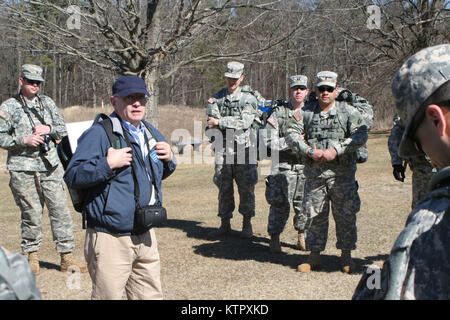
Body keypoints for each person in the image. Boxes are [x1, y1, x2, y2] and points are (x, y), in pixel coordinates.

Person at [63, 75, 176, 300]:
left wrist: (170, 160)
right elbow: (73, 175)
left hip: (145, 234)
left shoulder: (150, 133)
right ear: (115, 102)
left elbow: (152, 175)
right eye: (129, 98)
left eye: (141, 98)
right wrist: (107, 164)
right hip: (110, 238)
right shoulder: (99, 133)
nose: (137, 104)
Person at [353, 44, 450, 300]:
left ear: (437, 120)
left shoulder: (432, 226)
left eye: (418, 143)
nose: (425, 152)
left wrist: (372, 285)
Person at [0, 64, 86, 276]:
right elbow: (1, 137)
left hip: (50, 167)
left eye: (38, 83)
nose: (35, 86)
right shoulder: (9, 107)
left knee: (60, 212)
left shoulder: (47, 103)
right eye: (31, 82)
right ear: (21, 81)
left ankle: (66, 256)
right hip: (23, 169)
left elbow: (62, 129)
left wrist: (49, 129)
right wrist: (24, 140)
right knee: (31, 214)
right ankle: (32, 256)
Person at [285, 71, 368, 274]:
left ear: (336, 90)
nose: (325, 92)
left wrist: (336, 150)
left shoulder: (348, 112)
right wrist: (309, 151)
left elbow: (361, 134)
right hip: (315, 177)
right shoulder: (306, 112)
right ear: (315, 90)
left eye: (329, 89)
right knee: (314, 215)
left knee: (346, 215)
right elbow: (290, 132)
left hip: (342, 176)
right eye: (321, 88)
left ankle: (346, 255)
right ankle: (314, 256)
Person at [206, 61, 259, 239]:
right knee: (223, 185)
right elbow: (210, 122)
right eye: (229, 78)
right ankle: (225, 223)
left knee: (246, 187)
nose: (232, 81)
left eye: (235, 78)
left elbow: (244, 123)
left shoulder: (249, 99)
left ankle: (247, 224)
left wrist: (221, 122)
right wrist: (220, 123)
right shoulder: (216, 98)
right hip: (223, 149)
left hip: (245, 149)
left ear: (242, 78)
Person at [263, 75, 309, 253]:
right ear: (290, 90)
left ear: (307, 91)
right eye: (295, 88)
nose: (298, 91)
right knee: (279, 204)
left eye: (302, 88)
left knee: (304, 204)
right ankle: (274, 238)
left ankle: (302, 235)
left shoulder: (312, 113)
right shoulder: (278, 113)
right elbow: (268, 141)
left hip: (305, 167)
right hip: (281, 166)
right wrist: (292, 141)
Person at [388, 113, 435, 209]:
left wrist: (396, 162)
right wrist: (396, 162)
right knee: (421, 210)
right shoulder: (410, 106)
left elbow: (396, 133)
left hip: (428, 168)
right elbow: (397, 133)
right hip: (422, 169)